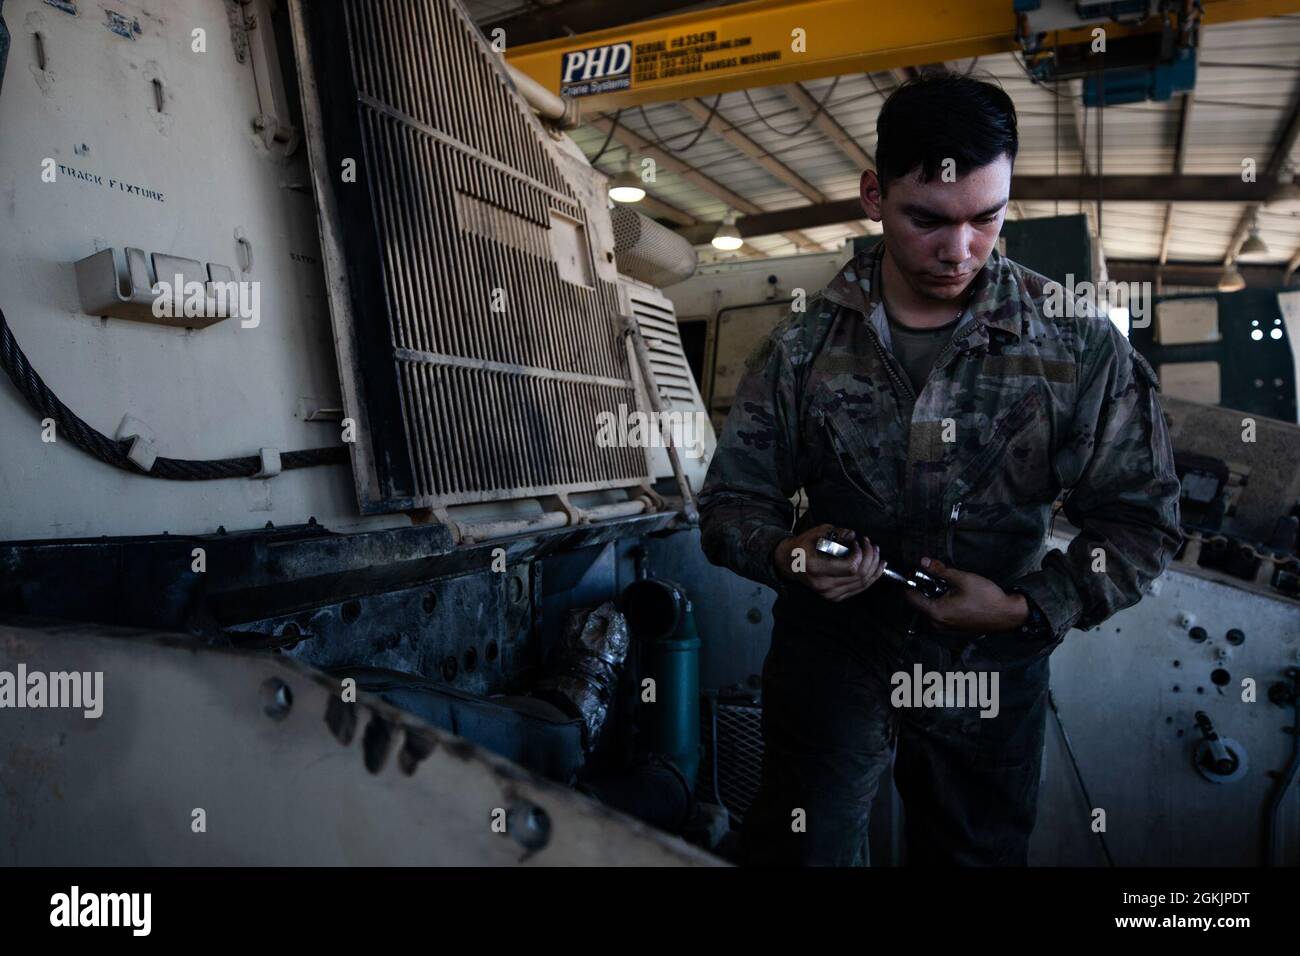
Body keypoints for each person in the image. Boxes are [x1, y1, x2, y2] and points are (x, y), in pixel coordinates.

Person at [697, 73, 1182, 866]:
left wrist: (1027, 607)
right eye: (927, 218)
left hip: (989, 669)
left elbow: (1143, 522)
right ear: (872, 195)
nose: (959, 251)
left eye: (986, 218)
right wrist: (789, 554)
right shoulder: (798, 349)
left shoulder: (1078, 346)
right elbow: (731, 505)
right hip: (834, 656)